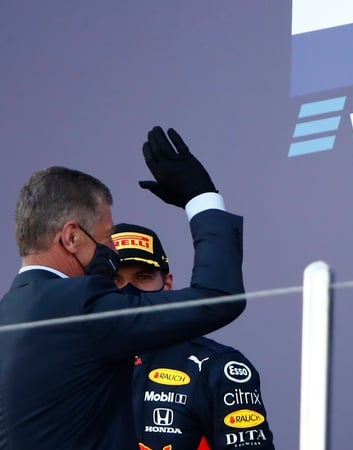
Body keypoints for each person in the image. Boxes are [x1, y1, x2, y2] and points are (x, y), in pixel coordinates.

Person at [0, 126, 247, 449]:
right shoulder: (80, 305)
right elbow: (217, 297)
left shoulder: (8, 311)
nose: (113, 252)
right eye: (107, 238)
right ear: (71, 237)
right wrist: (201, 198)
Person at [111, 222, 275, 450]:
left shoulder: (216, 367)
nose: (128, 290)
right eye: (115, 280)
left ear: (168, 284)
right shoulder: (72, 362)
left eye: (143, 277)